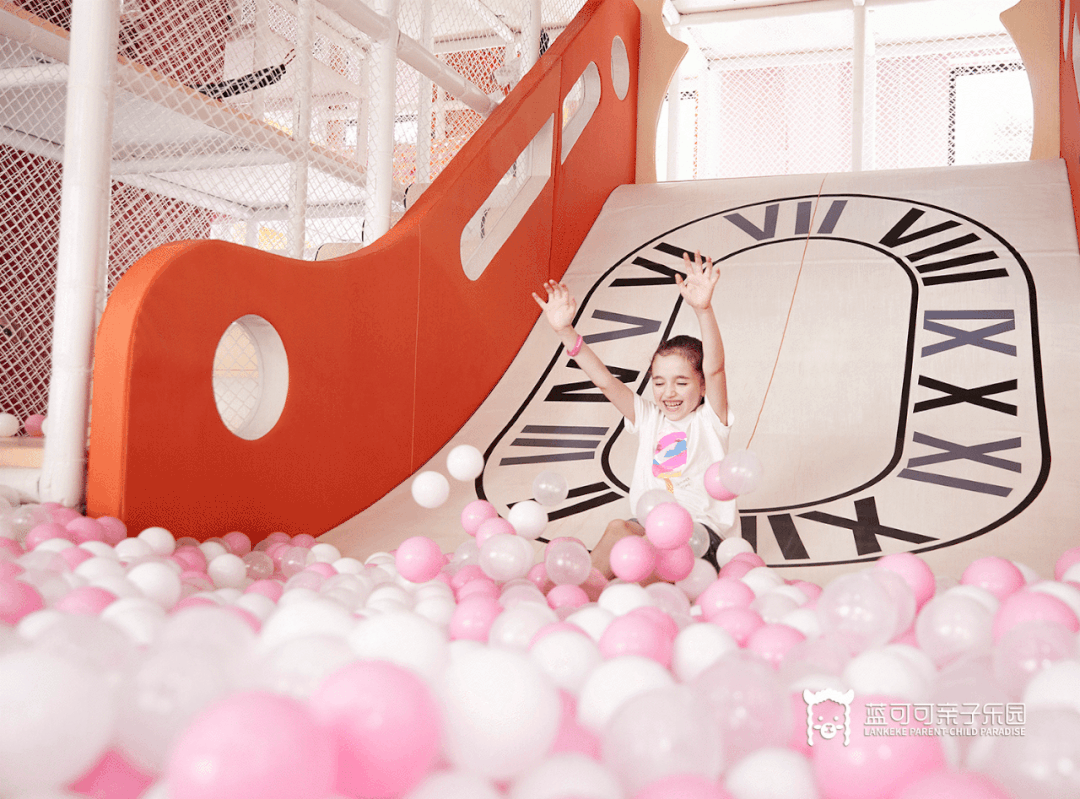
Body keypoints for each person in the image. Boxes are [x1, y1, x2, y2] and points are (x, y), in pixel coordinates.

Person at [532, 251, 738, 578]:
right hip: (647, 526)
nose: (668, 392)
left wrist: (703, 309)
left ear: (701, 387)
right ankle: (578, 591)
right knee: (619, 528)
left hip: (697, 535)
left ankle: (625, 596)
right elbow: (605, 381)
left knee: (650, 560)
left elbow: (715, 369)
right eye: (659, 382)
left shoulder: (710, 421)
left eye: (681, 382)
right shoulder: (649, 417)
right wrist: (565, 332)